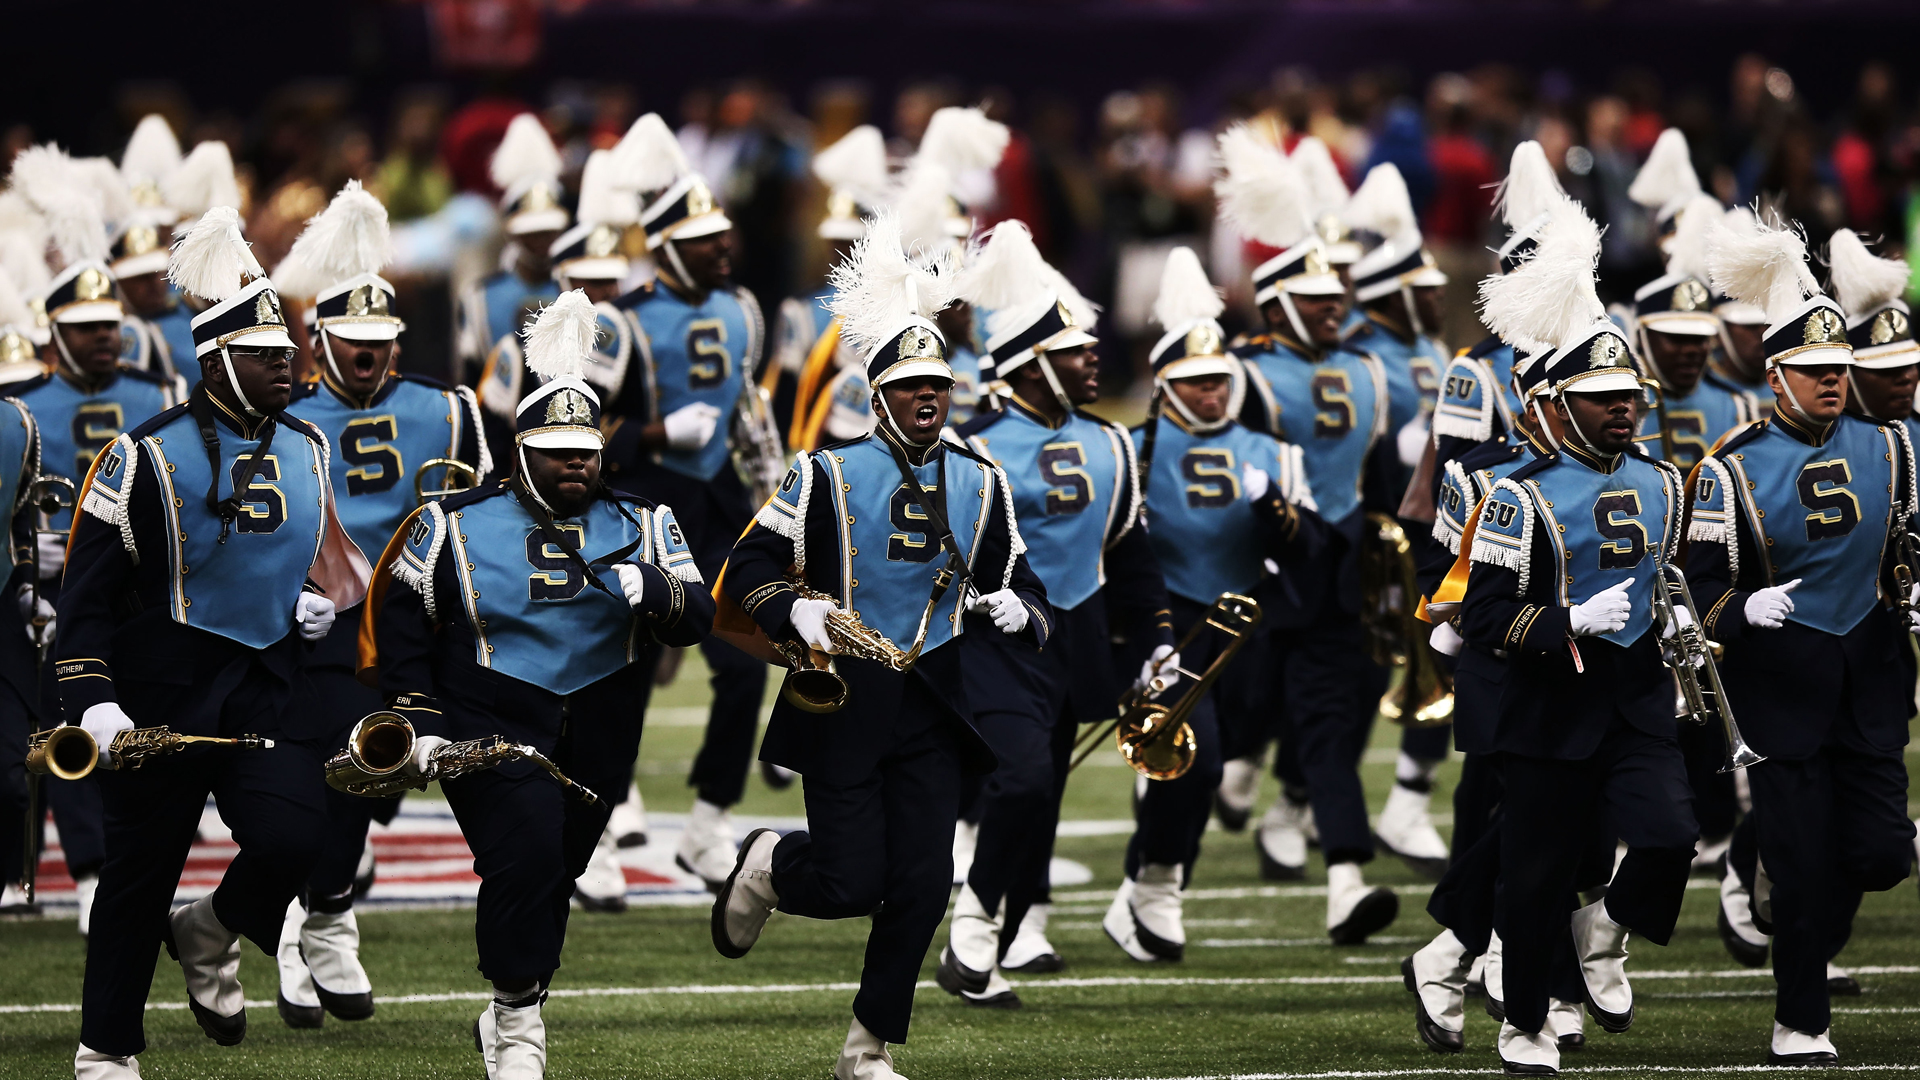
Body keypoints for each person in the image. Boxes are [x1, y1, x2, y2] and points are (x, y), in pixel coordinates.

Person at [711, 209, 1046, 1080]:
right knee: (851, 882)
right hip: (846, 698)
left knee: (926, 886)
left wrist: (1019, 610)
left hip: (935, 704)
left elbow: (1023, 582)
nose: (927, 396)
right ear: (879, 392)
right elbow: (746, 563)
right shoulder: (823, 472)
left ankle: (868, 1049)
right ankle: (771, 865)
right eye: (908, 386)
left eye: (937, 382)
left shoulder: (983, 480)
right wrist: (798, 611)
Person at [371, 291, 711, 1079]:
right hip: (489, 712)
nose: (576, 463)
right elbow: (400, 618)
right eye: (558, 449)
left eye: (586, 448)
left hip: (599, 724)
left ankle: (517, 998)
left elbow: (700, 611)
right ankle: (518, 1020)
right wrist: (419, 717)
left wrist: (656, 591)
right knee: (521, 851)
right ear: (520, 448)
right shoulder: (449, 522)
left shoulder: (647, 521)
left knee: (559, 868)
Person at [61, 207, 368, 1078]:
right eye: (271, 355)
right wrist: (97, 700)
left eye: (290, 351)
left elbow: (319, 557)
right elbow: (82, 601)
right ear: (219, 359)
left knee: (296, 839)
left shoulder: (310, 445)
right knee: (137, 876)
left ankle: (208, 929)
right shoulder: (140, 456)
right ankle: (107, 1051)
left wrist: (316, 601)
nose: (293, 366)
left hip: (270, 678)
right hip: (159, 688)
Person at [1448, 195, 1698, 1075]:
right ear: (1558, 402)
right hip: (1548, 708)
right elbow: (1480, 616)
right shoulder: (1519, 494)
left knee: (1670, 836)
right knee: (1536, 875)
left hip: (1632, 699)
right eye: (1599, 398)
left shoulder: (1669, 480)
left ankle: (1604, 934)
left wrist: (1682, 619)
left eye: (1627, 395)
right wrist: (1562, 624)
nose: (1621, 409)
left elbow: (1677, 578)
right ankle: (1522, 1025)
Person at [1688, 220, 1917, 1067]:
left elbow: (1904, 544)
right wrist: (1740, 610)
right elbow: (1693, 590)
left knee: (1885, 854)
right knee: (1804, 861)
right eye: (1817, 372)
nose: (1833, 382)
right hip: (1779, 689)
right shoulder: (1730, 468)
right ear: (1777, 375)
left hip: (1870, 678)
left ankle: (1759, 879)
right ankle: (1800, 1021)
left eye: (1840, 370)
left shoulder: (1892, 445)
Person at [937, 219, 1172, 1004]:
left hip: (1075, 636)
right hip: (995, 640)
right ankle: (974, 922)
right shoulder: (971, 449)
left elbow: (1132, 555)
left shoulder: (1112, 440)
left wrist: (1155, 641)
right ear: (1032, 366)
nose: (1090, 357)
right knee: (1022, 781)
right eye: (1072, 350)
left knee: (1043, 797)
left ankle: (993, 943)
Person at [277, 180, 489, 1027]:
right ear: (317, 336)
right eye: (351, 340)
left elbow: (482, 518)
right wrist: (289, 593)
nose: (366, 355)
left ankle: (315, 910)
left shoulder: (449, 409)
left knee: (387, 779)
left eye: (379, 341)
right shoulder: (283, 418)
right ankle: (319, 919)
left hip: (419, 627)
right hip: (321, 627)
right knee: (335, 772)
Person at [1102, 247, 1324, 961]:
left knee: (1224, 762)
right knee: (1193, 761)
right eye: (1195, 382)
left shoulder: (1271, 450)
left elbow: (1312, 547)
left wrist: (1277, 510)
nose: (1211, 393)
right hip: (1168, 624)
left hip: (1247, 624)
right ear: (1165, 384)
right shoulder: (1127, 450)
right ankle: (1158, 886)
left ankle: (1139, 888)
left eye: (1218, 380)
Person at [1215, 122, 1400, 940]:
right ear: (1281, 300)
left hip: (1341, 568)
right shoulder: (1245, 370)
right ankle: (1168, 859)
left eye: (1338, 298)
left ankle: (1344, 878)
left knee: (1333, 720)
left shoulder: (1367, 368)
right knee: (1244, 712)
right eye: (1318, 300)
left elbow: (1382, 476)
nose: (1335, 310)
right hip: (1259, 569)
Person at [3, 145, 181, 936]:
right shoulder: (24, 401)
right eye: (85, 328)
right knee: (64, 716)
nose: (104, 338)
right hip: (48, 584)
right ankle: (84, 868)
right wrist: (25, 558)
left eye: (110, 325)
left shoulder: (160, 391)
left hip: (136, 580)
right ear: (53, 329)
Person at [602, 113, 774, 888]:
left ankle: (710, 819)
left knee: (745, 663)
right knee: (626, 674)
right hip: (644, 506)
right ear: (668, 243)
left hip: (721, 502)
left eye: (723, 234)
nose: (724, 246)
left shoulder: (743, 309)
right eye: (707, 238)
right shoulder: (620, 321)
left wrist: (775, 491)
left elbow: (748, 412)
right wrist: (653, 430)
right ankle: (602, 818)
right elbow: (579, 435)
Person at [1341, 160, 1456, 877]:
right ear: (1392, 296)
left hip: (1428, 530)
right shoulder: (1360, 357)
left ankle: (1408, 801)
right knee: (1351, 682)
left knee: (1441, 660)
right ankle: (1293, 800)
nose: (1440, 296)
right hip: (1372, 535)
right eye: (1425, 289)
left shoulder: (1434, 349)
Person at [1630, 193, 1761, 477]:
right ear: (1643, 336)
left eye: (1701, 339)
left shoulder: (1737, 406)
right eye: (1676, 338)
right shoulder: (1619, 407)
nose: (1691, 350)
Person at [455, 114, 567, 388]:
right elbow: (471, 380)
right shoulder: (480, 298)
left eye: (549, 229)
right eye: (533, 230)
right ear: (511, 231)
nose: (544, 239)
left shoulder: (577, 287)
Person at [0, 386, 40, 914]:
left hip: (3, 607)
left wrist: (29, 585)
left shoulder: (16, 421)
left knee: (13, 778)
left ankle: (9, 878)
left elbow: (22, 514)